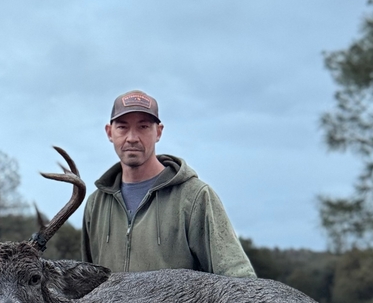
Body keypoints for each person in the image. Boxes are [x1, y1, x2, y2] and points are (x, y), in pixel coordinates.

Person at [81, 89, 255, 278]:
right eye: (122, 127)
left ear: (158, 132)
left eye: (143, 127)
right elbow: (87, 284)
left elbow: (239, 279)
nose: (132, 138)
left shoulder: (195, 197)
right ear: (109, 132)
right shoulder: (95, 205)